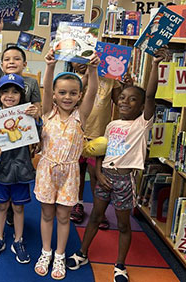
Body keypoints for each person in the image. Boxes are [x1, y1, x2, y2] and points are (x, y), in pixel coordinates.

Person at [66, 48, 168, 282]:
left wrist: (154, 65)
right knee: (95, 217)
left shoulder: (142, 124)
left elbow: (151, 95)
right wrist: (99, 171)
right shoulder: (112, 125)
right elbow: (102, 149)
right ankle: (82, 253)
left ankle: (119, 264)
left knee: (123, 224)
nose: (125, 102)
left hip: (124, 180)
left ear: (142, 107)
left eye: (132, 100)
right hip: (105, 177)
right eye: (122, 98)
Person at [33, 49, 99, 280]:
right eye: (62, 93)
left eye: (73, 93)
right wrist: (50, 66)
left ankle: (59, 255)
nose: (67, 97)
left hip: (69, 172)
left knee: (64, 216)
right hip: (47, 170)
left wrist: (92, 70)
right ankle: (46, 252)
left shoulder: (80, 116)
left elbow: (93, 91)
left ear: (79, 96)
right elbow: (47, 88)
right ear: (54, 95)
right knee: (47, 213)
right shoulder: (48, 112)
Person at [0, 21, 42, 226]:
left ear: (25, 64)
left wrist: (36, 115)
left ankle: (8, 210)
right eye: (7, 59)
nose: (11, 61)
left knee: (13, 176)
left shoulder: (31, 83)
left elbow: (37, 108)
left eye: (17, 58)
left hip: (20, 137)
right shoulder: (0, 77)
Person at [0, 74, 39, 264]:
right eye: (5, 91)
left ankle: (18, 240)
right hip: (2, 172)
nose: (10, 95)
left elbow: (38, 136)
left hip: (22, 171)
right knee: (1, 205)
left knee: (18, 207)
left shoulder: (27, 115)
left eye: (15, 92)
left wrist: (37, 119)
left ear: (21, 95)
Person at [69, 61, 122, 228]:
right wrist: (85, 77)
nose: (82, 64)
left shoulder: (109, 79)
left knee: (96, 174)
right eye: (77, 61)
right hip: (76, 134)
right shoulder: (72, 80)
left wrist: (127, 84)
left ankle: (98, 212)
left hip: (99, 136)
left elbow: (119, 101)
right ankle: (77, 203)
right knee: (77, 171)